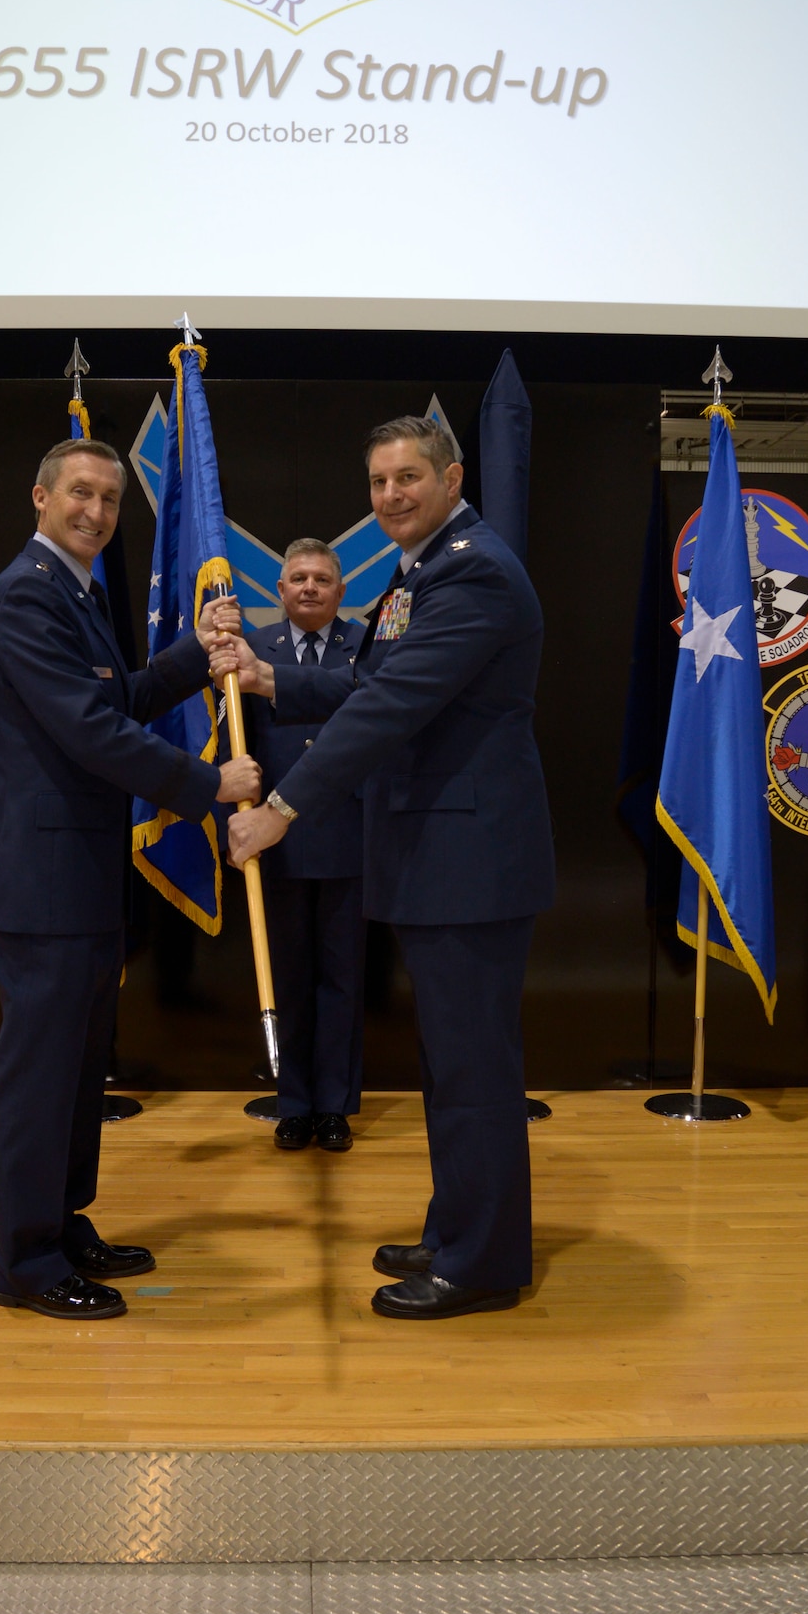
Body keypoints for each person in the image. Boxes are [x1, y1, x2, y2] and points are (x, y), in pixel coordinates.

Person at [226, 416, 553, 1320]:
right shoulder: (431, 567)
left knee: (474, 1072)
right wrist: (267, 681)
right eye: (377, 482)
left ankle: (480, 1265)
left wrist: (283, 811)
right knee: (450, 1067)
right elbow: (371, 681)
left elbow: (391, 707)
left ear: (451, 478)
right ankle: (457, 1231)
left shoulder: (472, 569)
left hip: (469, 862)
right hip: (442, 857)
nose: (391, 496)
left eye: (408, 477)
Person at [0, 438, 258, 1320]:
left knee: (79, 1067)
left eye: (107, 499)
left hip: (80, 877)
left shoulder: (75, 590)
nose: (94, 512)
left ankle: (60, 1223)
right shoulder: (26, 595)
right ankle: (23, 1260)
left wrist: (191, 655)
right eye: (79, 495)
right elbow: (90, 734)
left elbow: (113, 700)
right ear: (40, 496)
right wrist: (211, 787)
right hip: (42, 881)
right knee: (41, 1075)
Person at [241, 539, 367, 1154]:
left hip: (348, 833)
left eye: (322, 578)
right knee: (287, 976)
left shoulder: (367, 646)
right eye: (298, 578)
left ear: (341, 591)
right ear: (280, 591)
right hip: (278, 838)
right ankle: (293, 1104)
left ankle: (335, 1106)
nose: (310, 587)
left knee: (342, 979)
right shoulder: (251, 650)